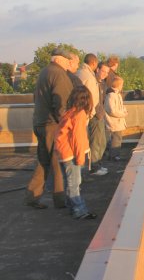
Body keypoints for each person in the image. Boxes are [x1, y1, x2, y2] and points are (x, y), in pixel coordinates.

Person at [24, 47, 74, 209]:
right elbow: (61, 105)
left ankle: (32, 196)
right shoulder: (59, 75)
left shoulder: (44, 72)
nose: (69, 64)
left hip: (39, 122)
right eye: (67, 61)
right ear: (59, 60)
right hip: (52, 125)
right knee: (57, 162)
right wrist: (66, 127)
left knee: (43, 161)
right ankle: (60, 200)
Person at [54, 85, 97, 220]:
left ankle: (73, 207)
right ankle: (79, 210)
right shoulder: (79, 115)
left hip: (63, 152)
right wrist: (80, 158)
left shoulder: (70, 112)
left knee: (70, 182)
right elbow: (77, 138)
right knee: (74, 182)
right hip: (71, 153)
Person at [75, 53, 108, 176]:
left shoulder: (80, 73)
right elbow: (91, 98)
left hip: (89, 114)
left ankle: (94, 166)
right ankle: (93, 168)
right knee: (95, 141)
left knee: (99, 141)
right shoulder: (89, 77)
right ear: (94, 64)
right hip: (90, 114)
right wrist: (91, 113)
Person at [104, 76, 128, 161]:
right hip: (114, 122)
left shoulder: (116, 94)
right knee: (116, 139)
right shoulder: (111, 95)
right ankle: (113, 156)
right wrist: (122, 114)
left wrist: (124, 111)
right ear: (119, 85)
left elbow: (120, 106)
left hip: (117, 121)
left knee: (116, 138)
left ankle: (114, 154)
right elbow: (111, 110)